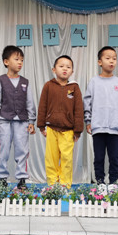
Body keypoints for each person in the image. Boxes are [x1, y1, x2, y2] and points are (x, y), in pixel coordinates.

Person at [84, 46, 118, 191]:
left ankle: (113, 182)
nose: (111, 61)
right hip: (98, 126)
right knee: (98, 157)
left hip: (114, 128)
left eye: (114, 59)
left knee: (114, 157)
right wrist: (88, 120)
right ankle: (100, 182)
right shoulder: (94, 81)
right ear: (100, 62)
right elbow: (87, 102)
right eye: (108, 58)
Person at [37, 55, 84, 189]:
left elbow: (79, 109)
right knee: (51, 158)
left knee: (66, 159)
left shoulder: (74, 87)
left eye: (68, 67)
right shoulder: (48, 86)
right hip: (51, 129)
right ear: (54, 69)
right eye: (61, 66)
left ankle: (64, 185)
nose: (65, 69)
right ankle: (52, 184)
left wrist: (78, 130)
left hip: (68, 130)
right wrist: (41, 125)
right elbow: (42, 106)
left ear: (72, 71)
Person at [0, 45, 36, 189]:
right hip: (4, 120)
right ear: (6, 62)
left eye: (22, 60)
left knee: (22, 149)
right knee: (4, 149)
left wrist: (31, 121)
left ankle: (22, 179)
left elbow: (29, 102)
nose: (20, 63)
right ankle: (2, 178)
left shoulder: (25, 82)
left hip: (22, 121)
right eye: (16, 59)